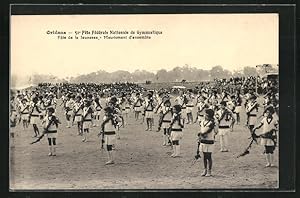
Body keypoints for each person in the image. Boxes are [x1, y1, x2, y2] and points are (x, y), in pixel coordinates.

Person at [198, 108, 216, 177]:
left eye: (206, 114)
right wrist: (200, 135)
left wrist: (203, 134)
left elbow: (212, 131)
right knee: (204, 156)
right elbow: (201, 129)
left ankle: (209, 171)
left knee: (209, 156)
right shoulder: (202, 122)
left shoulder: (212, 123)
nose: (205, 115)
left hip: (209, 140)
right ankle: (205, 169)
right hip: (203, 141)